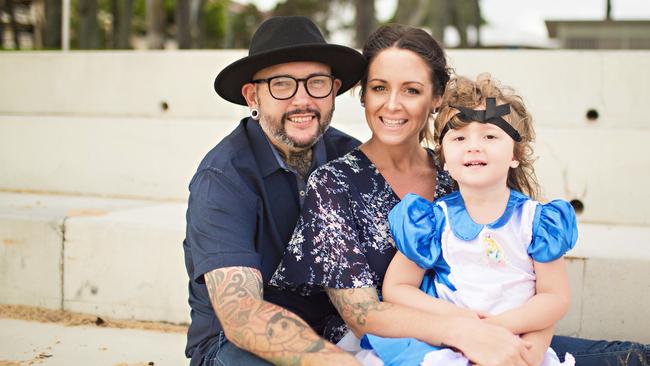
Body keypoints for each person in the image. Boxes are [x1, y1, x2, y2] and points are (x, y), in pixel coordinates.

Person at [270, 24, 650, 366]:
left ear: (437, 99)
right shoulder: (335, 183)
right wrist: (469, 332)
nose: (392, 104)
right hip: (401, 348)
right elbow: (362, 314)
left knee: (634, 356)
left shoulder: (461, 166)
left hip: (502, 335)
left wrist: (529, 345)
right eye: (379, 88)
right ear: (363, 96)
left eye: (412, 90)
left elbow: (533, 280)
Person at [357, 74, 577, 366]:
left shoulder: (537, 222)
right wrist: (459, 321)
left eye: (489, 136)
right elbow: (398, 288)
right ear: (444, 159)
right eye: (460, 138)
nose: (474, 146)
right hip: (445, 345)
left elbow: (554, 297)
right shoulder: (433, 221)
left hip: (514, 341)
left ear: (516, 154)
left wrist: (501, 328)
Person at [182, 16, 366, 365]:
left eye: (316, 83)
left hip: (335, 333)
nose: (302, 100)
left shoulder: (352, 160)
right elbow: (242, 315)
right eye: (282, 85)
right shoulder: (222, 178)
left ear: (334, 89)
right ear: (253, 95)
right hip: (235, 348)